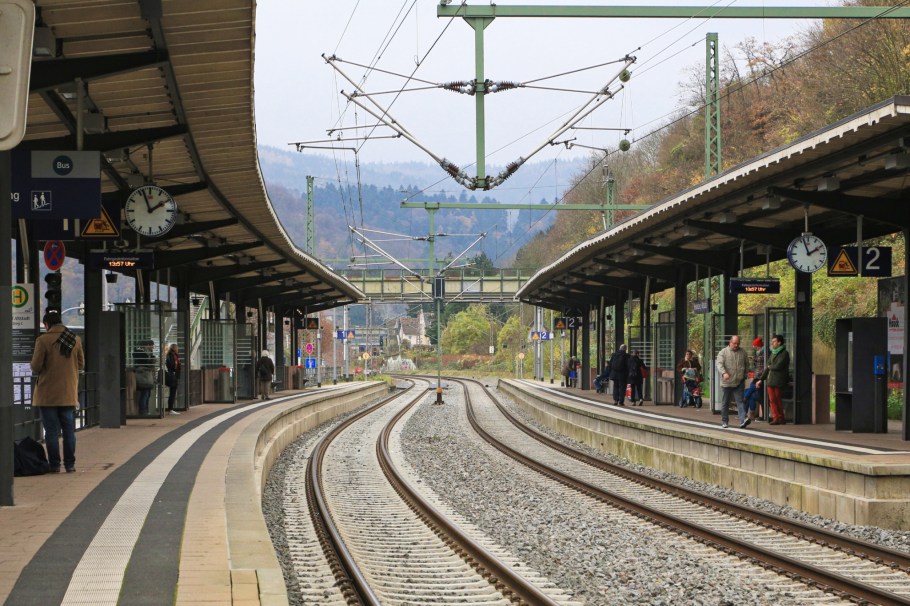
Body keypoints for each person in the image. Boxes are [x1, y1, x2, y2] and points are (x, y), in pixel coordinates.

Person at [30, 309, 84, 473]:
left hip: (47, 394)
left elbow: (36, 367)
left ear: (47, 324)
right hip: (68, 392)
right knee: (69, 431)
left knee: (52, 431)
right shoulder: (75, 339)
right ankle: (70, 464)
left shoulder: (43, 340)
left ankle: (54, 465)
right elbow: (81, 364)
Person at [715, 335, 749, 429]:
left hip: (739, 381)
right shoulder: (723, 352)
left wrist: (745, 374)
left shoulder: (743, 352)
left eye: (738, 343)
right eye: (735, 343)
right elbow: (719, 364)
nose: (736, 345)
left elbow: (747, 364)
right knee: (726, 402)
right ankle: (724, 421)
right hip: (727, 382)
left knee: (740, 401)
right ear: (730, 342)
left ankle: (743, 420)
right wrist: (724, 373)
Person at [756, 334, 791, 425]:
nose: (772, 343)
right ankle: (776, 418)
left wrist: (770, 366)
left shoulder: (784, 353)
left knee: (777, 398)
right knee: (772, 400)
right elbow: (767, 367)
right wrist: (761, 379)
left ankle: (781, 417)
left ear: (779, 342)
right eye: (772, 341)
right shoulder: (773, 353)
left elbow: (778, 366)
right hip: (770, 380)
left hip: (779, 380)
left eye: (774, 341)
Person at [744, 337, 765, 422]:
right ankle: (748, 414)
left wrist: (753, 358)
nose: (754, 347)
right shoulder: (759, 352)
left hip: (761, 376)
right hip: (758, 376)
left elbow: (762, 362)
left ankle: (744, 402)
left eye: (755, 346)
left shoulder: (764, 352)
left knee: (749, 393)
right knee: (751, 395)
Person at [134, 339, 156, 416]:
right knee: (145, 395)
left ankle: (145, 410)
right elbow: (148, 364)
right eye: (151, 345)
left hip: (146, 377)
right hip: (143, 377)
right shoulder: (141, 354)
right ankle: (143, 411)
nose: (152, 347)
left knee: (147, 394)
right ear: (147, 345)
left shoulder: (146, 354)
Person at [165, 343, 181, 415]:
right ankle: (170, 409)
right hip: (172, 375)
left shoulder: (172, 355)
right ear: (175, 348)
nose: (178, 349)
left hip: (173, 375)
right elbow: (173, 365)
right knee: (172, 393)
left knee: (172, 393)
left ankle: (170, 409)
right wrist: (175, 368)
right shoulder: (172, 355)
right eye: (177, 348)